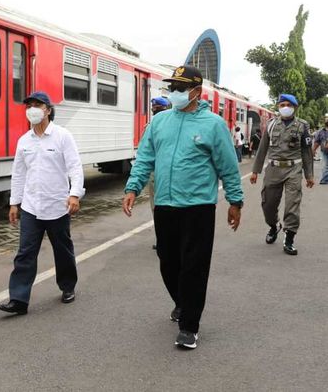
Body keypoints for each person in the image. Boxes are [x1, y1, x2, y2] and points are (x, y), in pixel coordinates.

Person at [122, 65, 243, 350]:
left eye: (179, 88)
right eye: (171, 88)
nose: (173, 93)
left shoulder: (213, 125)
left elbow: (228, 167)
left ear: (196, 92)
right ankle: (182, 301)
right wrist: (132, 187)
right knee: (168, 261)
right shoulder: (160, 122)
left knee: (194, 267)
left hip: (198, 207)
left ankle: (189, 325)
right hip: (165, 205)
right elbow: (145, 159)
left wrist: (235, 201)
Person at [0, 91, 84, 315]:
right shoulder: (24, 141)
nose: (32, 109)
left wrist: (74, 194)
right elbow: (18, 173)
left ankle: (67, 286)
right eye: (29, 105)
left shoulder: (62, 136)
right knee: (25, 252)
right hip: (31, 206)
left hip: (57, 205)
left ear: (48, 109)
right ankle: (18, 299)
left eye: (37, 105)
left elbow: (75, 167)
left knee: (62, 250)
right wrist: (14, 203)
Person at [250, 94, 314, 254]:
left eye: (288, 104)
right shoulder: (271, 125)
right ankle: (273, 226)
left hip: (294, 169)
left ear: (295, 107)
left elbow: (306, 152)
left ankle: (290, 238)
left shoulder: (303, 126)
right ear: (278, 107)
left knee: (293, 204)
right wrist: (255, 171)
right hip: (273, 169)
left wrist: (309, 175)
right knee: (268, 205)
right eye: (282, 104)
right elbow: (262, 148)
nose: (285, 107)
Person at [148, 96, 171, 250]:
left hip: (157, 173)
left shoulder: (150, 126)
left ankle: (163, 239)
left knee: (157, 207)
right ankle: (165, 238)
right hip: (163, 171)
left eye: (155, 109)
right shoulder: (172, 125)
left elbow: (145, 154)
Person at [313, 113, 328, 184]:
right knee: (325, 166)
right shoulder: (320, 132)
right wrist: (313, 150)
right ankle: (324, 180)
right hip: (325, 152)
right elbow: (317, 142)